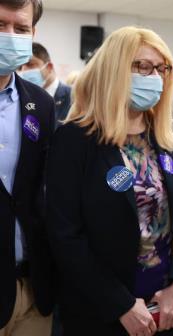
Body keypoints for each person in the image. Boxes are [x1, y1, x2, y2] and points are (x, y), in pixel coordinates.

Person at [46, 26, 173, 336]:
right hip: (100, 312)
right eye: (142, 65)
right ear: (115, 70)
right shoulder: (75, 140)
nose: (153, 76)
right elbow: (65, 235)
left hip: (167, 308)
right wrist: (120, 304)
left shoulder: (170, 138)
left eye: (161, 68)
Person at [0, 0, 56, 335]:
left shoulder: (42, 104)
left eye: (20, 29)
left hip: (34, 290)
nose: (10, 35)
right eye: (0, 25)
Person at [19, 42, 71, 128]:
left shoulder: (72, 96)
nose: (24, 71)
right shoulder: (21, 98)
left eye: (30, 64)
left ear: (49, 67)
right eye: (20, 67)